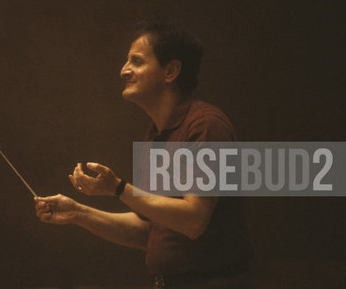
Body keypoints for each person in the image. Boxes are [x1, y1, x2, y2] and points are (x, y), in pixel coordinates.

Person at [35, 20, 252, 288]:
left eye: (136, 62)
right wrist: (78, 213)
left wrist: (118, 189)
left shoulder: (205, 125)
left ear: (170, 71)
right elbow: (149, 232)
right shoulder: (156, 136)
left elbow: (194, 220)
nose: (123, 70)